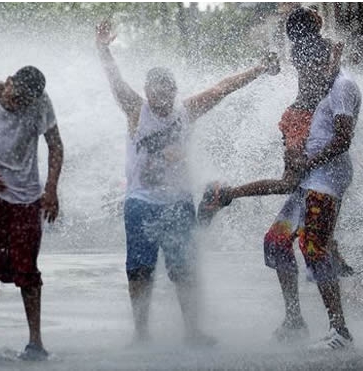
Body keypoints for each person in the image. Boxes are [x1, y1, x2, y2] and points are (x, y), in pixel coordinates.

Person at [95, 19, 279, 346]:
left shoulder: (186, 111)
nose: (160, 98)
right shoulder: (137, 110)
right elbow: (115, 81)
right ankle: (141, 334)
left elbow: (223, 87)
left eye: (166, 91)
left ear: (174, 91)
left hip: (178, 202)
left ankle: (192, 331)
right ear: (148, 91)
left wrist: (260, 68)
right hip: (140, 201)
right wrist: (103, 48)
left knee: (184, 270)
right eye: (154, 91)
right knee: (139, 270)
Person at [197, 7, 357, 279]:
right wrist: (337, 57)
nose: (318, 14)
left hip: (303, 116)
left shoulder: (302, 48)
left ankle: (331, 250)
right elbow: (323, 83)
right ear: (312, 23)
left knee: (315, 188)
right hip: (304, 119)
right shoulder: (316, 47)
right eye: (313, 13)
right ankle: (223, 195)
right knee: (292, 183)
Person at [0, 66, 63, 363]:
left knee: (27, 269)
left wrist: (51, 189)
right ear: (8, 83)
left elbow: (55, 145)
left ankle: (35, 342)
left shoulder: (41, 102)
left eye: (25, 103)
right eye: (16, 99)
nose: (19, 106)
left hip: (28, 196)